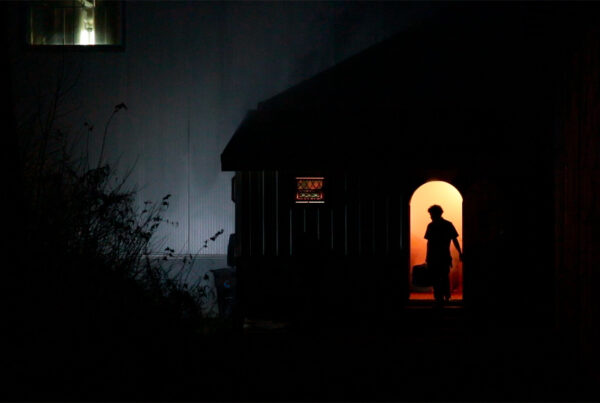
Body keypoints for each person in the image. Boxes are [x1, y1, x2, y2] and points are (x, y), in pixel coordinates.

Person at [425, 204, 463, 304]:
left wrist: (427, 257)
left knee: (436, 277)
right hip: (445, 255)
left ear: (435, 214)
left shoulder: (431, 225)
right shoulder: (448, 224)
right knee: (444, 276)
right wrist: (460, 252)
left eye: (431, 214)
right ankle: (446, 296)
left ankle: (438, 297)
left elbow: (429, 243)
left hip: (433, 256)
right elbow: (455, 240)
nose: (431, 216)